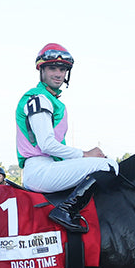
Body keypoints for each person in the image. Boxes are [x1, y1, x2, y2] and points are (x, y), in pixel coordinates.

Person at [15, 43, 117, 232]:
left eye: (62, 69)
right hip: (40, 169)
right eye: (52, 68)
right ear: (41, 70)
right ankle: (65, 210)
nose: (58, 74)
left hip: (48, 166)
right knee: (109, 166)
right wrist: (85, 154)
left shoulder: (50, 100)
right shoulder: (39, 99)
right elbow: (46, 145)